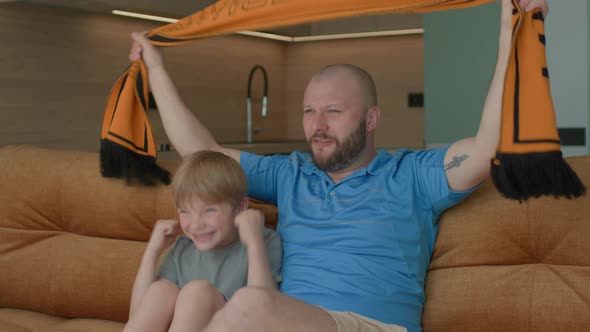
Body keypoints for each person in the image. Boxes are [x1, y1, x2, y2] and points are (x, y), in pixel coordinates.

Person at [128, 0, 548, 331]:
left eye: (333, 111)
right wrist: (156, 67)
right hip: (282, 323)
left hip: (370, 327)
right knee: (196, 296)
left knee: (250, 303)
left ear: (371, 119)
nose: (318, 126)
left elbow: (490, 144)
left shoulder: (412, 175)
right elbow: (199, 151)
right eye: (310, 111)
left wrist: (510, 25)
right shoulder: (290, 174)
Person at [123, 150, 282, 332]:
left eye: (209, 211)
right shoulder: (182, 249)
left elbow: (263, 316)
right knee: (161, 290)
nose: (196, 225)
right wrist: (152, 251)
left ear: (240, 207)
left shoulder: (264, 240)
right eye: (185, 211)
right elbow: (136, 317)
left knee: (197, 293)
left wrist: (254, 243)